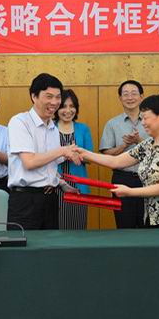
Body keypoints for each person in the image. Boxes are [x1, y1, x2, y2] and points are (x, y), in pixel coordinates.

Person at [77, 94, 159, 228]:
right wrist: (84, 153)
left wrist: (129, 192)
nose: (142, 123)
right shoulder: (147, 144)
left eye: (145, 118)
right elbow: (116, 161)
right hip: (151, 217)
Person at [7, 73, 80, 230]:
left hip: (50, 198)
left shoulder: (53, 127)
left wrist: (62, 184)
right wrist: (63, 150)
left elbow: (49, 165)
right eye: (49, 96)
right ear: (34, 96)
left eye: (58, 97)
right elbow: (30, 162)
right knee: (24, 245)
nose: (54, 102)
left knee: (50, 244)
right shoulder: (20, 122)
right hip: (25, 201)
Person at [100, 80, 149, 228]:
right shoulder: (112, 124)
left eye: (134, 93)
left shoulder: (151, 121)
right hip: (122, 178)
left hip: (147, 178)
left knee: (147, 225)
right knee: (124, 224)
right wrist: (124, 145)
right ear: (120, 98)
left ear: (141, 97)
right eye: (125, 94)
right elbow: (106, 154)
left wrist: (139, 141)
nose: (130, 97)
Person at [54, 89, 94, 230]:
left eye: (72, 106)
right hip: (55, 185)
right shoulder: (49, 127)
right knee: (58, 228)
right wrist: (65, 153)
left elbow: (90, 157)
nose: (68, 110)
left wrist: (78, 154)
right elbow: (43, 155)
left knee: (78, 227)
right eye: (63, 106)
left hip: (79, 187)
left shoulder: (83, 129)